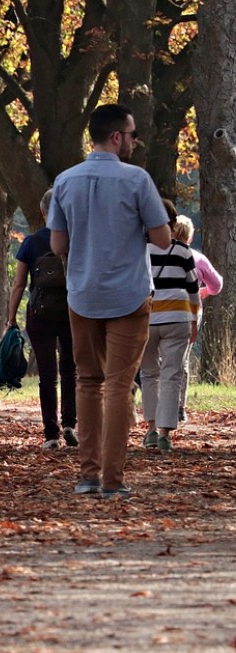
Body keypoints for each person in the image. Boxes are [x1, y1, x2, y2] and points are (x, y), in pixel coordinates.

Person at [48, 103, 172, 499]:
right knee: (119, 385)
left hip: (82, 294)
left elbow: (57, 244)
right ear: (117, 137)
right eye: (132, 134)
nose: (134, 141)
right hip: (129, 294)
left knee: (87, 381)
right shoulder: (137, 181)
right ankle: (113, 480)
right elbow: (164, 239)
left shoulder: (65, 181)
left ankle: (87, 475)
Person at [5, 188, 78, 450]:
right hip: (72, 312)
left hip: (40, 313)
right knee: (71, 369)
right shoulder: (75, 240)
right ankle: (70, 423)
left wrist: (11, 318)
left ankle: (51, 434)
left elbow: (18, 284)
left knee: (48, 374)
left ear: (43, 211)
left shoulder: (31, 242)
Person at [140, 218, 200, 452]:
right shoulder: (184, 251)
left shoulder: (140, 249)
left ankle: (152, 429)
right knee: (171, 375)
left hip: (146, 318)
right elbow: (193, 289)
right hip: (177, 317)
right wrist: (194, 319)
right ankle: (165, 433)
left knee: (148, 374)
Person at [174, 214, 223, 423]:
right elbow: (217, 284)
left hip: (160, 310)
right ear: (190, 237)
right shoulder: (198, 258)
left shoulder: (158, 254)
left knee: (160, 358)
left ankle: (160, 404)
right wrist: (205, 291)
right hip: (190, 311)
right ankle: (179, 407)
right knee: (182, 359)